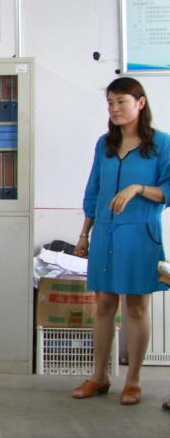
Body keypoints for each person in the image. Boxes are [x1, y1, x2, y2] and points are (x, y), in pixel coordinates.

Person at [71, 77, 170, 406]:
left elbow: (168, 190)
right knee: (103, 304)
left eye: (121, 102)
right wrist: (84, 234)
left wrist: (138, 188)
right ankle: (99, 376)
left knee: (137, 306)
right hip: (105, 233)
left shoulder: (161, 144)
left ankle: (134, 380)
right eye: (110, 103)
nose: (114, 109)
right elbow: (93, 191)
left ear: (140, 103)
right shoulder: (105, 144)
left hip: (141, 235)